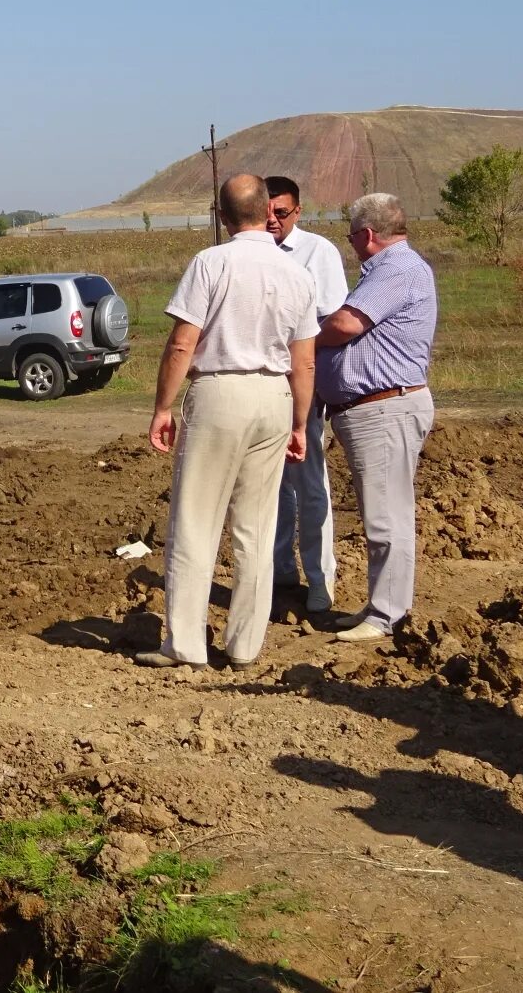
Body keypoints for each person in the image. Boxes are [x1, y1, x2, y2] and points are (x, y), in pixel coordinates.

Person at [136, 173, 318, 671]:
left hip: (220, 394)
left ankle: (186, 645)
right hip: (274, 397)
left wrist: (162, 407)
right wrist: (300, 423)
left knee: (196, 521)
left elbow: (181, 343)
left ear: (221, 216)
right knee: (256, 528)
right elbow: (304, 362)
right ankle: (244, 646)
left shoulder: (210, 263)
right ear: (268, 212)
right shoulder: (298, 275)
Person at [316, 193, 437, 643]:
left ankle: (387, 615)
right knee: (384, 513)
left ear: (367, 235)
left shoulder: (397, 269)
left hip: (384, 408)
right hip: (376, 408)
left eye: (351, 237)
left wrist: (306, 337)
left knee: (387, 517)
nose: (350, 245)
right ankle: (383, 605)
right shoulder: (397, 270)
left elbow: (347, 325)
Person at [265, 175, 349, 612]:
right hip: (259, 387)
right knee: (270, 485)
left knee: (309, 483)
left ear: (298, 211)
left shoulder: (318, 253)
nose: (273, 220)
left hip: (300, 383)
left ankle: (320, 579)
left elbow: (331, 320)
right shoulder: (247, 252)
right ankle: (280, 569)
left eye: (282, 212)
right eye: (267, 212)